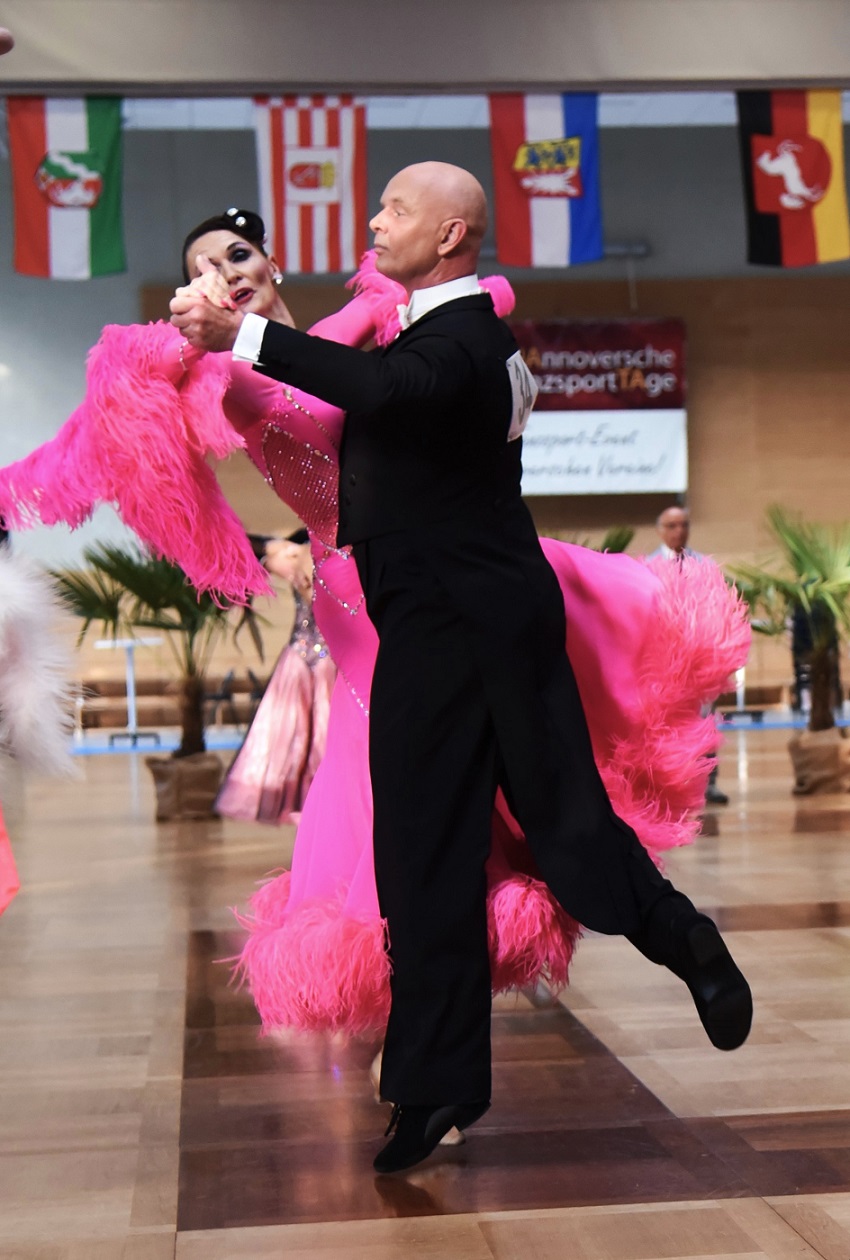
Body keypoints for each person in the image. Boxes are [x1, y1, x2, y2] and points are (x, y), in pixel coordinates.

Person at [171, 163, 754, 1174]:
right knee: (419, 858)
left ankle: (682, 939)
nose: (373, 220)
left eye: (394, 208)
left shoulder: (470, 340)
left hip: (487, 622)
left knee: (564, 829)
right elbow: (353, 396)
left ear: (449, 235)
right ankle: (434, 1084)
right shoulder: (406, 335)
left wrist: (245, 334)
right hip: (415, 631)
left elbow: (381, 389)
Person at [216, 529, 335, 825]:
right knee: (300, 734)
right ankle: (315, 806)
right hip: (310, 659)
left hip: (316, 659)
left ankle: (323, 805)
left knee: (319, 735)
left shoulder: (300, 555)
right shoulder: (304, 554)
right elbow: (258, 547)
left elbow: (264, 548)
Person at [648, 505, 729, 805]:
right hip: (665, 662)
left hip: (700, 660)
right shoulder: (649, 567)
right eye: (672, 526)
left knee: (705, 722)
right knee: (665, 724)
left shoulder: (704, 566)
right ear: (660, 531)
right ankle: (670, 785)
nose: (679, 531)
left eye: (683, 525)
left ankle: (709, 783)